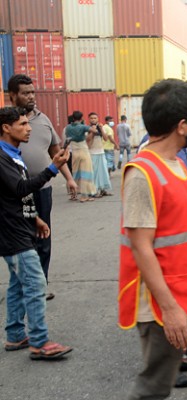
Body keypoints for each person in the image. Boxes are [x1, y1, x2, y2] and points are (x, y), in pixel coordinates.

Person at [118, 79, 187, 399]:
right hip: (164, 305)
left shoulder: (178, 163)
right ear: (181, 126)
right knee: (154, 388)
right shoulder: (142, 173)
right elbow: (141, 247)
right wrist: (170, 309)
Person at [0, 106, 72, 360]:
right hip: (12, 234)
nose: (29, 128)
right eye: (22, 124)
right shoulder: (2, 157)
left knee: (18, 285)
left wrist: (36, 219)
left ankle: (16, 334)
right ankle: (40, 342)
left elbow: (19, 197)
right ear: (6, 128)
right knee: (35, 283)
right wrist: (52, 169)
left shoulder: (13, 154)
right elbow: (21, 188)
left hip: (20, 228)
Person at [8, 74, 78, 297]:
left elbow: (55, 153)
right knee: (21, 242)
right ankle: (23, 287)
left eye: (32, 92)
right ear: (12, 96)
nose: (31, 97)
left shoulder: (43, 120)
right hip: (16, 192)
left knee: (43, 238)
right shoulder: (6, 123)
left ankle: (40, 285)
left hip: (42, 190)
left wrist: (69, 177)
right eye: (25, 93)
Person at [65, 111, 98, 202]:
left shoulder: (68, 128)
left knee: (75, 173)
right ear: (81, 118)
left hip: (74, 152)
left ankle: (73, 194)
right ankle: (85, 195)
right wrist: (93, 127)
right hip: (83, 150)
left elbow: (66, 140)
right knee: (86, 173)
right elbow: (94, 131)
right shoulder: (83, 126)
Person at [87, 112, 112, 197]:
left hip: (101, 152)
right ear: (89, 119)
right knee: (94, 173)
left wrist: (101, 129)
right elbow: (88, 140)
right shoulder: (88, 128)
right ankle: (94, 191)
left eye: (95, 118)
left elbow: (105, 138)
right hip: (92, 153)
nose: (93, 119)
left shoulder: (101, 127)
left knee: (103, 172)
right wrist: (93, 131)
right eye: (91, 118)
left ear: (98, 119)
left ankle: (102, 189)